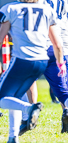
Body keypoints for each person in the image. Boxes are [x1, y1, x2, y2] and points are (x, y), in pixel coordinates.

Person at [0, 0, 65, 142]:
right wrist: (60, 62)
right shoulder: (47, 9)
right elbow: (57, 43)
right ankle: (13, 137)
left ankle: (29, 109)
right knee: (15, 97)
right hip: (42, 61)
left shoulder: (11, 8)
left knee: (0, 99)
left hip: (22, 60)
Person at [19, 0, 68, 136]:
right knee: (62, 88)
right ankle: (66, 111)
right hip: (62, 45)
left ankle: (32, 111)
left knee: (29, 78)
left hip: (40, 43)